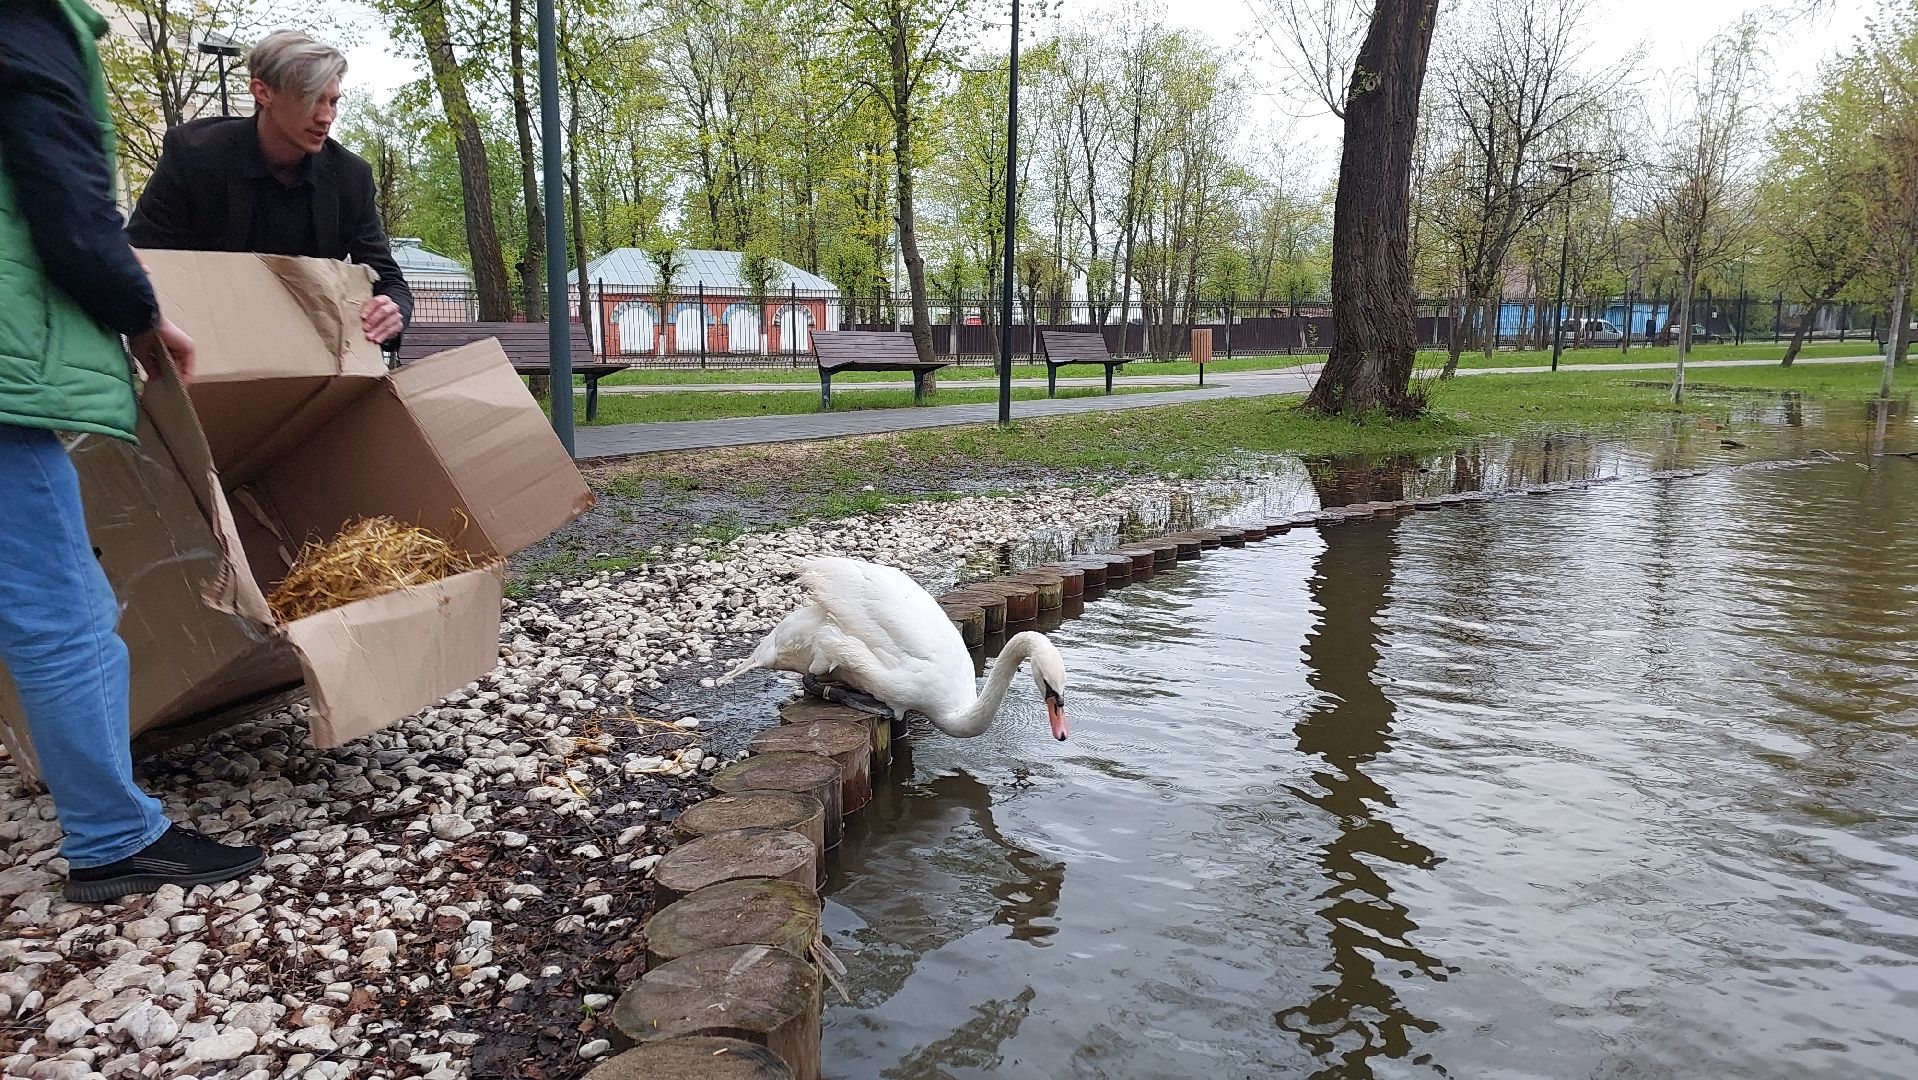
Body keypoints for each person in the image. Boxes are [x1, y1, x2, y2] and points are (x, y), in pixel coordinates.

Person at [0, 0, 264, 901]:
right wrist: (141, 313)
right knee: (65, 611)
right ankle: (113, 836)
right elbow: (66, 200)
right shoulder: (27, 20)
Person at [128, 30, 411, 347]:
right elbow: (141, 257)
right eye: (310, 98)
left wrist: (392, 309)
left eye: (332, 101)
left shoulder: (350, 177)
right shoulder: (195, 156)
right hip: (206, 347)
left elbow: (387, 278)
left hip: (310, 354)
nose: (326, 116)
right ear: (262, 92)